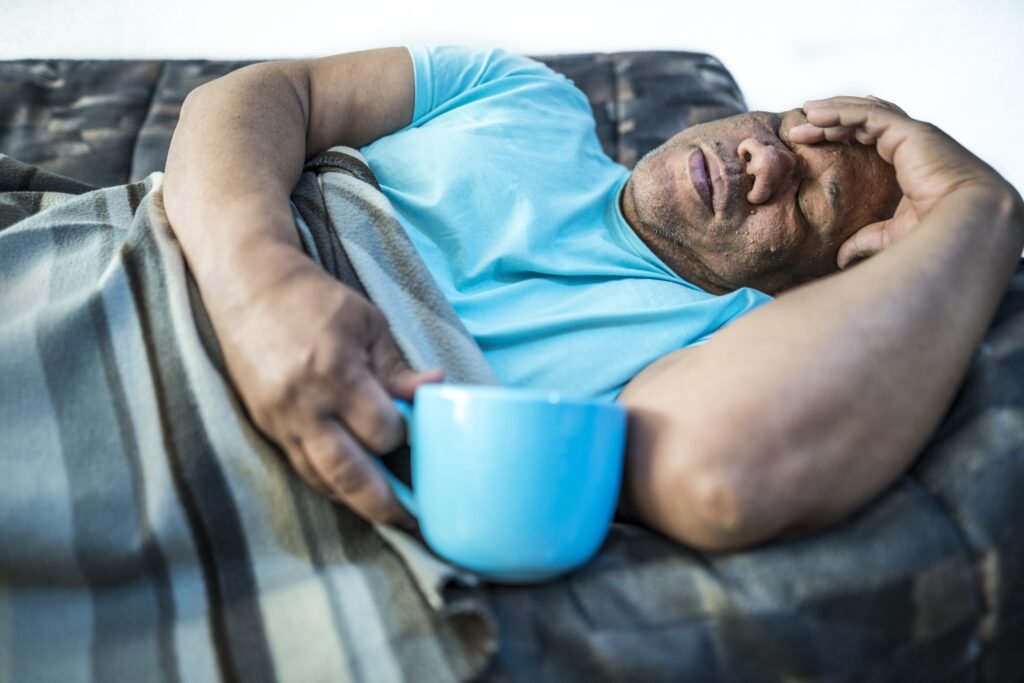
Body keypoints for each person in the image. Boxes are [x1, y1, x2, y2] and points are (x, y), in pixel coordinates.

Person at [163, 46, 1024, 552]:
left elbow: (721, 478)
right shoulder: (519, 92)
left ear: (843, 270)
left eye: (806, 199)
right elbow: (262, 96)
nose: (762, 159)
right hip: (157, 265)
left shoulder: (724, 344)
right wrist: (261, 284)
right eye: (780, 127)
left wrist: (978, 212)